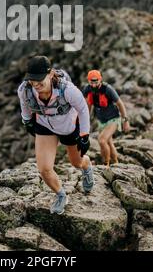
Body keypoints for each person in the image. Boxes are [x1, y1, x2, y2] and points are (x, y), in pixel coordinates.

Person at [17, 55, 94, 215]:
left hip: (69, 126)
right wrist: (27, 122)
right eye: (33, 81)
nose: (36, 86)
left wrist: (85, 135)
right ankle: (61, 195)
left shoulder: (68, 90)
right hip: (45, 125)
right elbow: (25, 106)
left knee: (76, 163)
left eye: (40, 81)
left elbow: (83, 109)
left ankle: (86, 167)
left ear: (51, 74)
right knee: (44, 169)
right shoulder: (25, 90)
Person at [82, 70, 130, 168]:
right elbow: (88, 105)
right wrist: (86, 120)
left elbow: (120, 103)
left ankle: (106, 164)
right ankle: (116, 163)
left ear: (100, 80)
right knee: (109, 143)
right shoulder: (88, 89)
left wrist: (125, 120)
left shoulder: (108, 89)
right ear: (88, 81)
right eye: (91, 82)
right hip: (102, 120)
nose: (94, 84)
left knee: (102, 140)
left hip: (113, 119)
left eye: (96, 82)